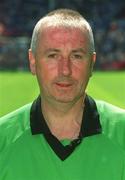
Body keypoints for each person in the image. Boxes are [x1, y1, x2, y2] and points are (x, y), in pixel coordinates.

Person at [0, 8, 125, 180]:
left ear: (92, 63)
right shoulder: (3, 139)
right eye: (53, 55)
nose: (65, 70)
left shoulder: (122, 132)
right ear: (33, 61)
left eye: (76, 56)